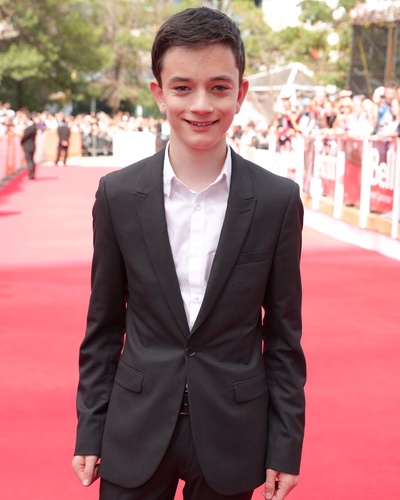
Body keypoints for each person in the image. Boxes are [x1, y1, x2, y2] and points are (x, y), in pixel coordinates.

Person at [72, 7, 306, 500]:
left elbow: (284, 336)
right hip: (136, 426)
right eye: (182, 87)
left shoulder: (277, 201)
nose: (201, 104)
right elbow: (103, 325)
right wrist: (90, 427)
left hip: (233, 431)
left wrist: (285, 445)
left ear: (240, 93)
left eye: (219, 87)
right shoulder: (117, 194)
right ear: (159, 93)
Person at [20, 113, 38, 179]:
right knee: (31, 160)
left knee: (29, 160)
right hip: (31, 145)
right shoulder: (33, 127)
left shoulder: (30, 128)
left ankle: (31, 174)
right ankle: (32, 174)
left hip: (28, 146)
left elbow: (25, 137)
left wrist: (21, 142)